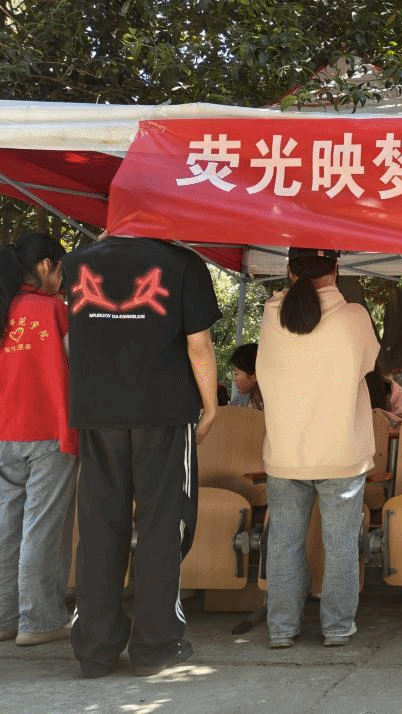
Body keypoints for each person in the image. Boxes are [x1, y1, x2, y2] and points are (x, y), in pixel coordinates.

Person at [62, 235, 220, 678]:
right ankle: (155, 646)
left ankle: (95, 650)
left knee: (98, 526)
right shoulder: (183, 263)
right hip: (162, 411)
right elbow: (198, 345)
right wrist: (210, 405)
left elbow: (75, 340)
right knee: (161, 525)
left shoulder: (76, 263)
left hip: (98, 413)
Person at [256, 247, 378, 650]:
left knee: (284, 542)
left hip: (285, 453)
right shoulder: (353, 317)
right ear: (336, 269)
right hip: (341, 452)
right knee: (340, 545)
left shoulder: (272, 314)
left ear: (289, 271)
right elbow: (367, 365)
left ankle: (281, 629)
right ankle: (337, 627)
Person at [0, 232, 78, 649]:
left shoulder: (3, 307)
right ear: (47, 265)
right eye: (61, 270)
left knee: (6, 527)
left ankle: (5, 618)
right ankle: (40, 619)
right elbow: (79, 367)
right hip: (49, 432)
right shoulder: (54, 310)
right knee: (42, 529)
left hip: (3, 433)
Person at [227, 343, 263, 410]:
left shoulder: (277, 403)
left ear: (255, 376)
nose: (234, 380)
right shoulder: (238, 403)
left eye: (236, 374)